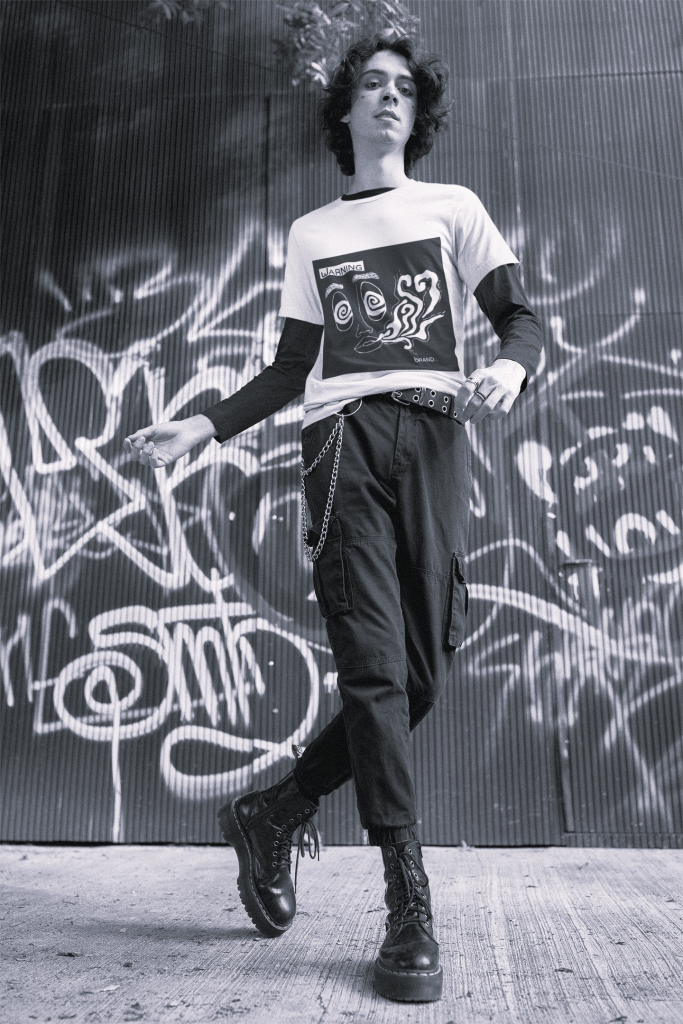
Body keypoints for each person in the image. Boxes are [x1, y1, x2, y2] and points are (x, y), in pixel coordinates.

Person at [124, 34, 543, 1003]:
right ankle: (407, 900)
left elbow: (520, 318)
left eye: (404, 89)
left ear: (417, 113)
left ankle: (276, 809)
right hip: (341, 443)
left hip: (433, 440)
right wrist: (204, 426)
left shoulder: (452, 209)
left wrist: (509, 365)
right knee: (372, 669)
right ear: (345, 110)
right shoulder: (312, 233)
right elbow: (288, 368)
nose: (389, 97)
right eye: (372, 85)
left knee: (420, 676)